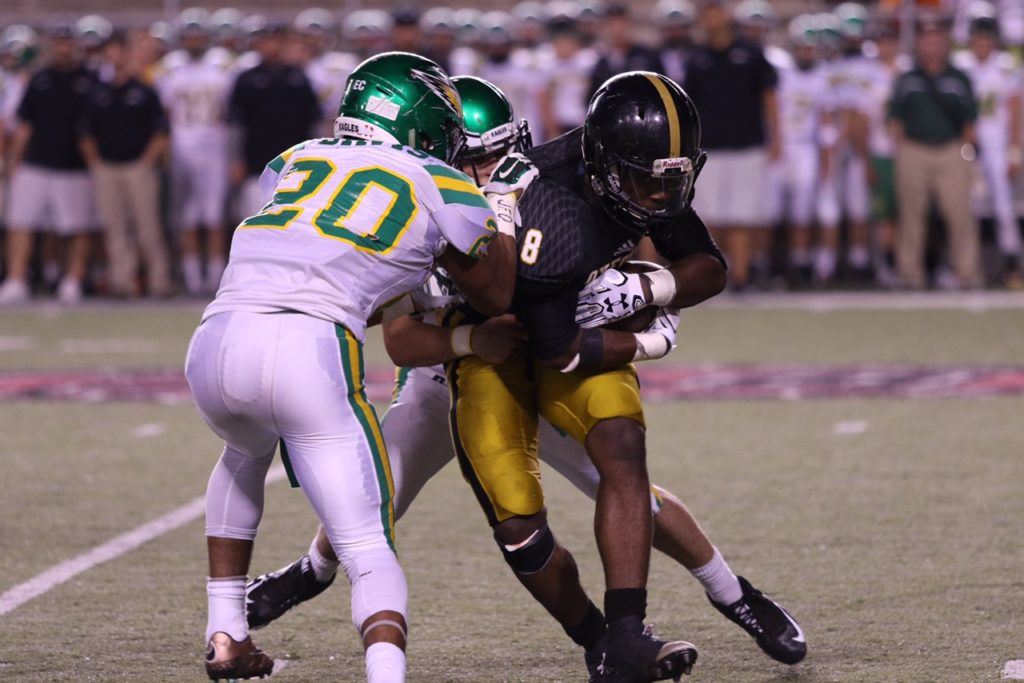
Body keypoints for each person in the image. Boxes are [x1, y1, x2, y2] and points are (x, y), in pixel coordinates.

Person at [245, 76, 807, 680]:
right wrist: (469, 338)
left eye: (502, 151)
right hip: (456, 371)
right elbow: (404, 341)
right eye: (475, 158)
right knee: (378, 491)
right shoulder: (426, 208)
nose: (492, 170)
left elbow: (644, 245)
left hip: (558, 358)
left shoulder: (551, 190)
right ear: (442, 157)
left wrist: (644, 290)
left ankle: (729, 593)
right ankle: (312, 570)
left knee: (624, 479)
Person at [185, 52, 515, 681]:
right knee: (368, 549)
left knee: (244, 452)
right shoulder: (438, 178)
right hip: (309, 347)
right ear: (421, 123)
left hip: (216, 336)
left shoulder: (294, 158)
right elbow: (496, 291)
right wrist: (496, 201)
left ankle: (225, 632)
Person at [683, 0, 780, 291]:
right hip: (709, 148)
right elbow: (689, 105)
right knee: (708, 218)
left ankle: (741, 277)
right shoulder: (696, 57)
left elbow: (769, 98)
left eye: (716, 10)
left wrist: (776, 138)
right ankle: (712, 280)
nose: (712, 17)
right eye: (707, 11)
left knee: (743, 216)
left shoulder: (751, 53)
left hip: (747, 146)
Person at [0, 25, 97, 305]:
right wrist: (14, 160)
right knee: (21, 223)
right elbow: (25, 125)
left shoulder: (88, 79)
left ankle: (72, 280)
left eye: (67, 42)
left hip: (74, 165)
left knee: (76, 228)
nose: (63, 47)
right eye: (59, 42)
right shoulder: (39, 79)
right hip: (36, 163)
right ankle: (16, 279)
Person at [888, 15, 980, 289]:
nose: (932, 46)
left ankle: (967, 272)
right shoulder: (907, 78)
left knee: (959, 213)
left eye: (938, 40)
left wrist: (966, 155)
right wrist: (901, 149)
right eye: (927, 40)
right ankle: (909, 274)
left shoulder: (959, 77)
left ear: (946, 44)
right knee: (911, 216)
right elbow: (895, 119)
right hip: (914, 149)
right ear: (919, 44)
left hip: (950, 150)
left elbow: (969, 122)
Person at [79, 31, 170, 298]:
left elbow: (160, 130)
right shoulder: (97, 92)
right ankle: (123, 281)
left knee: (148, 227)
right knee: (115, 228)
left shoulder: (143, 91)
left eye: (120, 50)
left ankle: (159, 281)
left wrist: (146, 161)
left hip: (137, 166)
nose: (115, 55)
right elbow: (85, 132)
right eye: (111, 50)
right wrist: (96, 163)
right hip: (107, 167)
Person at [158, 10, 234, 296]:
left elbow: (230, 110)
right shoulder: (170, 66)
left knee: (214, 216)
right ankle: (192, 278)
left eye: (198, 34)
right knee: (187, 217)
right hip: (182, 147)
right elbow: (165, 112)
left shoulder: (223, 65)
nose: (194, 40)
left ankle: (215, 277)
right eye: (189, 34)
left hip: (215, 147)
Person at [953, 4, 1023, 287]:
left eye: (986, 38)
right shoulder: (960, 65)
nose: (981, 44)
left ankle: (1011, 264)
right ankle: (970, 268)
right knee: (967, 207)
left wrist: (1014, 150)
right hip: (967, 144)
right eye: (977, 38)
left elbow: (1015, 110)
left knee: (1004, 207)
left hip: (997, 145)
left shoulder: (1007, 67)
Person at [228, 21, 321, 222]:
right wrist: (236, 159)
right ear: (258, 44)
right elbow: (236, 123)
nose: (272, 46)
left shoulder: (299, 78)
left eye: (277, 41)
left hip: (295, 164)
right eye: (267, 41)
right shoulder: (247, 78)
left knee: (292, 222)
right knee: (254, 219)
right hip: (256, 163)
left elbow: (313, 120)